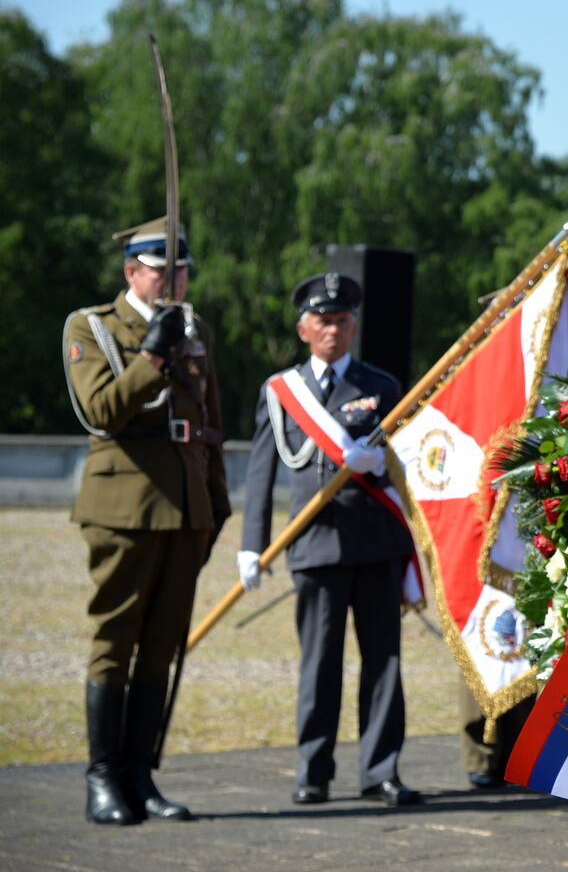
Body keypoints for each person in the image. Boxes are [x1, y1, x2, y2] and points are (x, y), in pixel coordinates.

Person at [63, 216, 230, 825]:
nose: (174, 280)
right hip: (123, 509)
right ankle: (102, 776)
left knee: (161, 650)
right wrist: (154, 353)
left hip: (186, 507)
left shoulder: (196, 329)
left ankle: (141, 775)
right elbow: (101, 409)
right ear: (132, 271)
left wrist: (215, 502)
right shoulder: (93, 326)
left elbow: (208, 426)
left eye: (181, 269)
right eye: (162, 270)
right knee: (116, 644)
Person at [240, 273, 422, 808]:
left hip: (376, 543)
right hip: (314, 545)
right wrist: (253, 544)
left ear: (354, 326)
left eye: (342, 320)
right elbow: (259, 471)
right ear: (303, 328)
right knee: (319, 664)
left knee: (383, 661)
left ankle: (381, 770)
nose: (332, 329)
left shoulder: (382, 386)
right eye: (322, 320)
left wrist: (379, 467)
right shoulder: (281, 392)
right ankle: (313, 768)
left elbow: (408, 464)